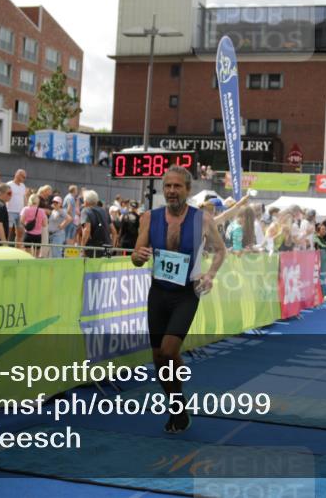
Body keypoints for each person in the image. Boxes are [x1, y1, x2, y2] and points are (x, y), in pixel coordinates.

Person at [131, 166, 226, 433]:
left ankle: (177, 403)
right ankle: (176, 405)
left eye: (177, 187)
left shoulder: (203, 219)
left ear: (188, 190)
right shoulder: (149, 218)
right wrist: (137, 257)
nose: (171, 191)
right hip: (158, 292)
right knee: (159, 357)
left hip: (186, 293)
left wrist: (210, 274)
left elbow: (220, 251)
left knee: (170, 351)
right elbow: (137, 254)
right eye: (168, 187)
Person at [79, 190, 115, 257]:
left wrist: (82, 248)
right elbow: (114, 232)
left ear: (86, 201)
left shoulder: (85, 211)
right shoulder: (105, 211)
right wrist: (112, 248)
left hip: (92, 249)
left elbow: (87, 230)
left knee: (89, 267)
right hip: (106, 249)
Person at [6, 169, 28, 249]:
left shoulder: (23, 186)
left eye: (25, 177)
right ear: (17, 175)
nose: (24, 178)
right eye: (23, 176)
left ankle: (17, 250)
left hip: (20, 212)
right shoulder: (9, 184)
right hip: (10, 211)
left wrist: (26, 209)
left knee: (20, 232)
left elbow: (24, 198)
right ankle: (5, 249)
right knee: (8, 232)